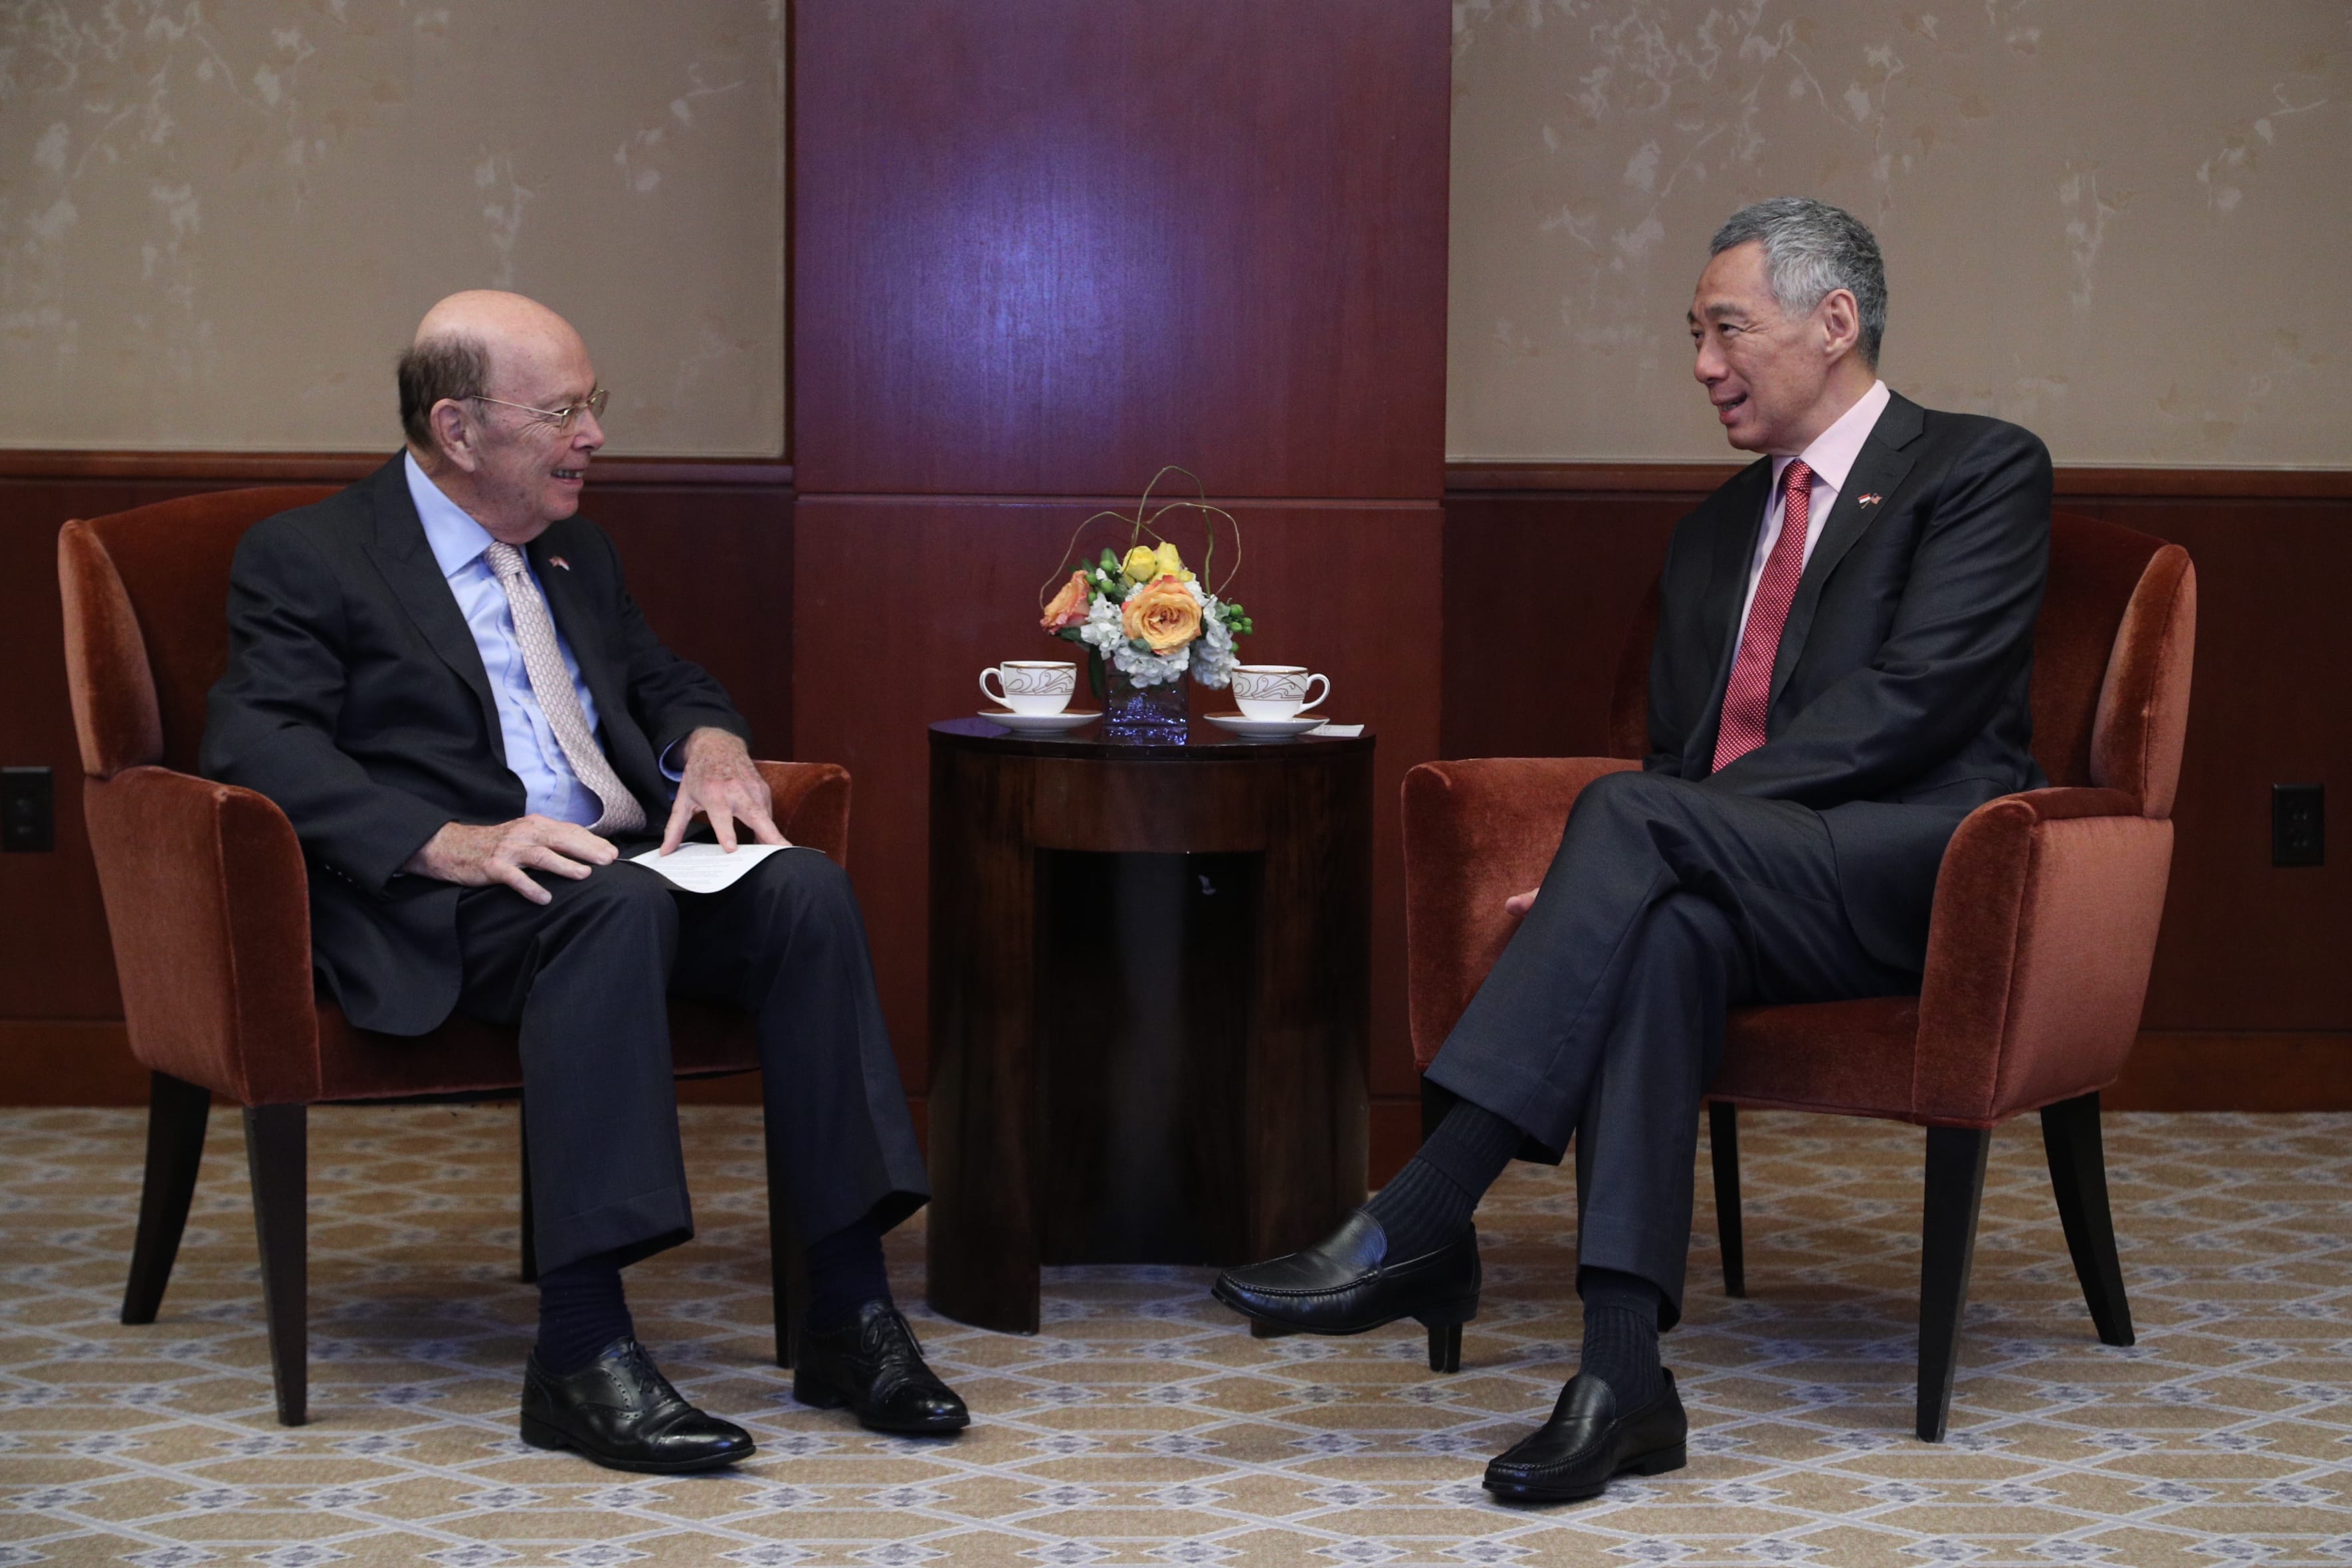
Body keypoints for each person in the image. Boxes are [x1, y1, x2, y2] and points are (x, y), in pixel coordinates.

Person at [1213, 199, 2052, 1502]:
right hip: (1738, 882)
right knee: (1656, 923)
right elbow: (1675, 755)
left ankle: (1424, 1213)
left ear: (1835, 323)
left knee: (1635, 826)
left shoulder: (1982, 469)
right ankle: (1623, 1379)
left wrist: (1667, 830)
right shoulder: (1715, 531)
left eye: (1728, 330)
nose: (1704, 364)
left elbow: (1919, 706)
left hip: (1923, 872)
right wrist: (1658, 850)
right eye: (1696, 335)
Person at [202, 290, 967, 1474]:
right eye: (562, 411)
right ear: (456, 430)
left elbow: (668, 681)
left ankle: (847, 1313)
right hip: (458, 902)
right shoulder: (312, 556)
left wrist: (709, 745)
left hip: (615, 875)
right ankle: (579, 1349)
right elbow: (258, 747)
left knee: (802, 887)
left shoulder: (578, 549)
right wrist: (446, 840)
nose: (594, 436)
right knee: (604, 900)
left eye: (592, 405)